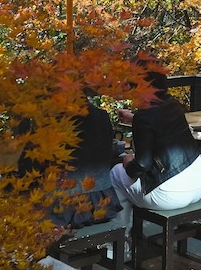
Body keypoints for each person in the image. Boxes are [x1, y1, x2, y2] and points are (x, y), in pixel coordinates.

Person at [109, 59, 201, 256]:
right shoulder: (173, 105)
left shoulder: (144, 117)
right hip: (198, 183)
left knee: (116, 174)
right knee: (127, 174)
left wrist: (128, 162)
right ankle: (127, 237)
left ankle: (119, 244)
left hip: (170, 194)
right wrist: (134, 118)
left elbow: (142, 164)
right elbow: (158, 123)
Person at [17, 89, 122, 230]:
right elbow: (108, 153)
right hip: (101, 201)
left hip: (60, 208)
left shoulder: (48, 120)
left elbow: (28, 169)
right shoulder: (102, 117)